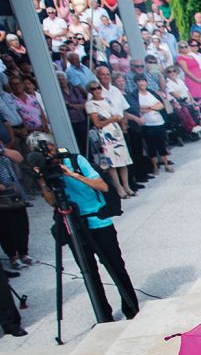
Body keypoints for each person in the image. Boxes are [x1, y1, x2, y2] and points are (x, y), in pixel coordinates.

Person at [29, 133, 140, 320]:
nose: (50, 153)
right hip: (73, 224)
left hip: (98, 220)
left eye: (50, 148)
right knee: (88, 271)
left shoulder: (76, 160)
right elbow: (51, 201)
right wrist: (42, 181)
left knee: (115, 265)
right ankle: (103, 315)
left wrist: (72, 174)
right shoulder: (45, 170)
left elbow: (102, 186)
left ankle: (131, 308)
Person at [85, 78, 135, 199]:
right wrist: (112, 119)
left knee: (123, 160)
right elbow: (97, 123)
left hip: (115, 130)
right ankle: (119, 188)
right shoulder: (90, 104)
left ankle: (126, 186)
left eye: (98, 87)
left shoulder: (107, 100)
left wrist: (118, 121)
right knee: (112, 163)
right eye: (94, 89)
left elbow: (116, 113)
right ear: (90, 91)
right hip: (105, 134)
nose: (97, 90)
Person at [0, 150, 31, 273]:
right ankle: (13, 257)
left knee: (22, 225)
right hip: (2, 199)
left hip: (15, 193)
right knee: (6, 229)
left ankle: (24, 253)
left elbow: (19, 158)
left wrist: (3, 149)